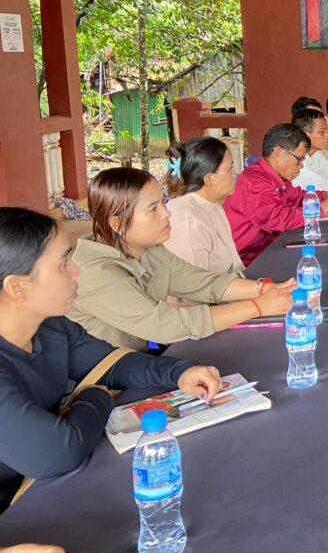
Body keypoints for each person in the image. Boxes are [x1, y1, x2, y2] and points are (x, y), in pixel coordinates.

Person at [0, 207, 224, 512]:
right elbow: (59, 452)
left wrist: (180, 371)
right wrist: (96, 396)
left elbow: (113, 363)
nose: (76, 271)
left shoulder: (50, 326)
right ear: (17, 287)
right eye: (63, 264)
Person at [68, 168, 296, 350]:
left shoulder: (148, 250)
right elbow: (164, 325)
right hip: (106, 382)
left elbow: (201, 282)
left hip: (139, 364)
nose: (166, 213)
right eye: (153, 209)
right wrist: (258, 306)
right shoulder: (94, 272)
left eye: (163, 203)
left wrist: (265, 289)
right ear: (117, 223)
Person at [225, 123, 328, 265]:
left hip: (270, 248)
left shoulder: (275, 177)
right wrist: (317, 210)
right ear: (278, 152)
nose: (301, 165)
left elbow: (297, 196)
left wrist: (325, 195)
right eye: (299, 159)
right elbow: (275, 218)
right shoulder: (254, 180)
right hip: (248, 261)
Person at [163, 136, 244, 277]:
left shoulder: (213, 206)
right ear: (209, 178)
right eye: (230, 168)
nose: (235, 173)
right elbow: (193, 285)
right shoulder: (188, 220)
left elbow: (234, 267)